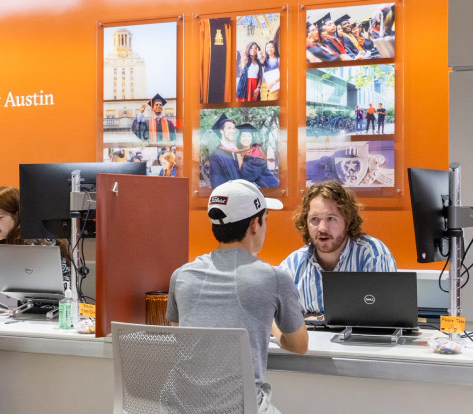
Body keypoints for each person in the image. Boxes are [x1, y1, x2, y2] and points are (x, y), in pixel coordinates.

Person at [166, 179, 307, 413]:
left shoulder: (182, 275)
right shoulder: (274, 278)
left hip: (182, 407)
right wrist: (273, 326)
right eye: (265, 220)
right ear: (255, 224)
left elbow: (180, 333)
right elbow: (299, 345)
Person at [280, 181, 396, 314]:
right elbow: (274, 317)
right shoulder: (292, 265)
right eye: (315, 219)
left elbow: (384, 315)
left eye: (331, 218)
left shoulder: (373, 255)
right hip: (310, 335)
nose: (322, 228)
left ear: (347, 221)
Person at [0, 186, 71, 304]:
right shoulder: (2, 246)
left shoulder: (38, 243)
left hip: (57, 313)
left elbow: (7, 278)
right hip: (24, 314)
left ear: (17, 216)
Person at [235, 123, 279, 188]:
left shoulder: (256, 153)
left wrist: (238, 156)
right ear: (239, 138)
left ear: (252, 139)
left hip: (268, 186)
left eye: (249, 136)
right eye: (243, 136)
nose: (246, 138)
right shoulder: (240, 151)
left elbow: (247, 175)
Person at [208, 114, 241, 187]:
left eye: (233, 128)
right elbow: (217, 182)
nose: (232, 131)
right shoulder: (216, 155)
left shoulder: (237, 151)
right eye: (229, 128)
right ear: (221, 131)